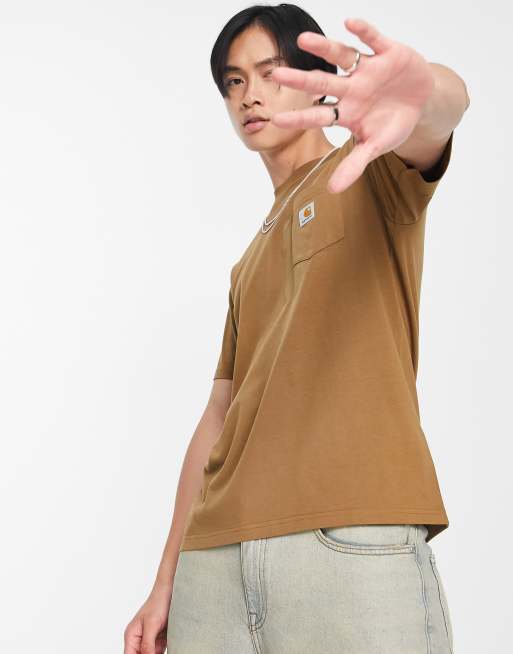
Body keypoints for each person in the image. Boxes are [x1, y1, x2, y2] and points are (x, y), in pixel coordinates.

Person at [124, 4, 469, 653]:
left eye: (270, 72)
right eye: (233, 81)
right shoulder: (247, 261)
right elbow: (219, 414)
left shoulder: (370, 171)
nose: (249, 94)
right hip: (216, 563)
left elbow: (441, 114)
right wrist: (166, 579)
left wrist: (423, 90)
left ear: (317, 83)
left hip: (345, 537)